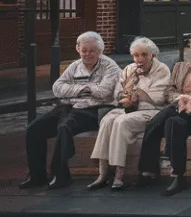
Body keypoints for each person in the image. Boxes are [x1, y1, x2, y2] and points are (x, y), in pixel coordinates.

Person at [21, 31, 122, 190]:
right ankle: (37, 176)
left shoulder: (110, 67)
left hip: (95, 110)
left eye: (92, 51)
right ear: (78, 49)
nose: (87, 54)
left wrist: (73, 89)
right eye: (84, 50)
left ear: (100, 51)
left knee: (64, 127)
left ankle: (60, 175)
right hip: (68, 107)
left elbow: (103, 92)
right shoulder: (75, 66)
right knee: (34, 129)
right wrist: (85, 90)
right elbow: (57, 88)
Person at [135, 26, 191, 195]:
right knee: (163, 121)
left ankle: (166, 173)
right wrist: (180, 97)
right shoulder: (181, 66)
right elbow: (169, 91)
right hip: (181, 108)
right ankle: (157, 173)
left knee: (170, 119)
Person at [88, 37, 173, 191]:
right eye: (136, 55)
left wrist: (139, 94)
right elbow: (118, 93)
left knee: (122, 122)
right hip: (129, 109)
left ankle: (120, 176)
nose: (139, 59)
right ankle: (102, 174)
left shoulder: (162, 69)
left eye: (144, 55)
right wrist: (125, 95)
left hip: (152, 111)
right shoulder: (129, 69)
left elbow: (160, 98)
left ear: (152, 55)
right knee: (108, 120)